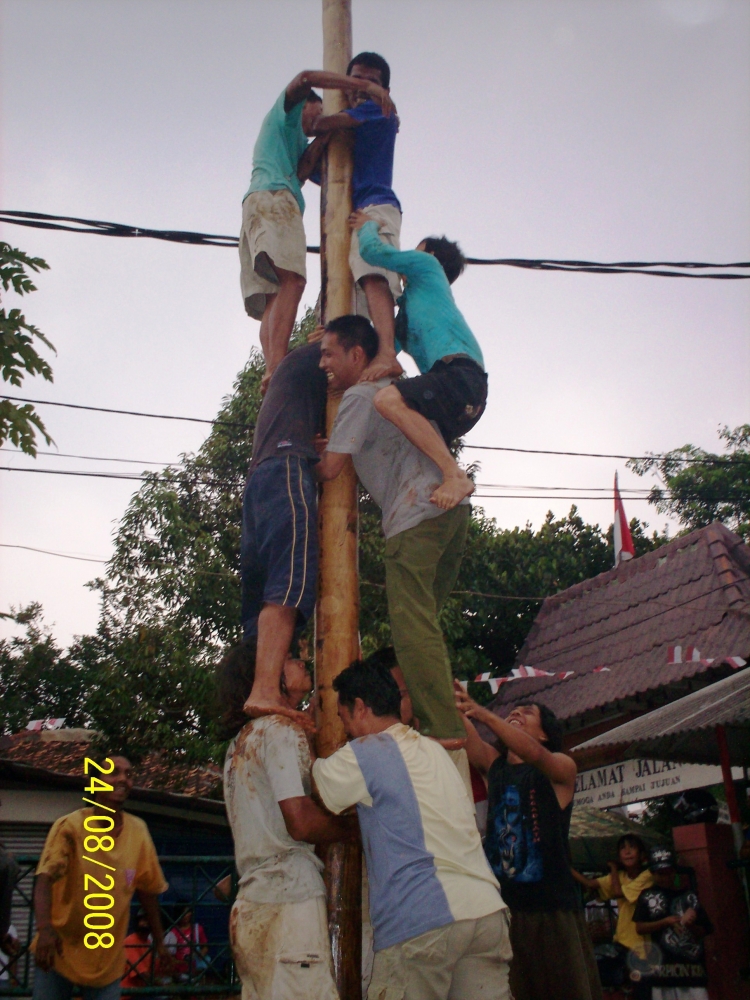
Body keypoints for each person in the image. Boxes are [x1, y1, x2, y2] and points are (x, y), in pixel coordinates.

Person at [312, 659, 511, 1000]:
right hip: (486, 912)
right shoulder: (434, 750)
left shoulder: (368, 751)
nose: (345, 731)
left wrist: (309, 734)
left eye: (343, 719)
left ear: (360, 707)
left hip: (423, 918)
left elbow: (323, 790)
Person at [316, 315, 471, 748]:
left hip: (415, 517)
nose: (322, 363)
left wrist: (292, 460)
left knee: (411, 629)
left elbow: (330, 468)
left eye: (329, 353)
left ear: (357, 355)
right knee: (424, 627)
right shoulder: (393, 392)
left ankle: (443, 729)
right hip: (452, 513)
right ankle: (441, 720)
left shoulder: (358, 397)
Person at [217, 642, 357, 1000]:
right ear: (268, 672)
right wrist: (354, 830)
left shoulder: (240, 740)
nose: (303, 662)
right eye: (292, 657)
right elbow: (300, 822)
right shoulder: (279, 730)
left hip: (251, 904)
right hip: (289, 900)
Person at [240, 67, 395, 383]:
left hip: (257, 204)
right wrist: (363, 86)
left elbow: (302, 171)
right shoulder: (286, 111)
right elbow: (306, 77)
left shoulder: (289, 139)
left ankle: (272, 369)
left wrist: (327, 133)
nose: (318, 118)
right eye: (318, 110)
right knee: (293, 281)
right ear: (305, 104)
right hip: (275, 200)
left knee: (275, 292)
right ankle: (277, 368)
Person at [455, 690, 603, 1000]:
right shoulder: (495, 765)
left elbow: (536, 755)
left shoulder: (560, 767)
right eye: (514, 711)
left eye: (526, 713)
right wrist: (454, 699)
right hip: (505, 911)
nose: (516, 714)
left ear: (545, 734)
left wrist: (483, 713)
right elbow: (463, 732)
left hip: (552, 911)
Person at [349, 210, 487, 510]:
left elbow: (373, 252)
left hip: (460, 373)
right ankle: (441, 493)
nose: (410, 255)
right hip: (462, 397)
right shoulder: (411, 308)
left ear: (431, 255)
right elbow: (382, 350)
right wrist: (334, 337)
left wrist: (368, 225)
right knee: (404, 431)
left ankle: (455, 475)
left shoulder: (427, 266)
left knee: (387, 401)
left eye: (416, 249)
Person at [240, 334, 328, 725]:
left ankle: (261, 689)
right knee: (288, 585)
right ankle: (264, 691)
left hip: (262, 476)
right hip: (286, 468)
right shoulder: (321, 360)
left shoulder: (296, 374)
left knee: (260, 597)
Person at [32, 756, 169, 1000]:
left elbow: (147, 890)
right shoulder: (70, 827)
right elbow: (44, 880)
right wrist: (44, 931)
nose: (123, 779)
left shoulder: (138, 831)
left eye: (128, 774)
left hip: (106, 961)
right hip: (59, 952)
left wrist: (160, 942)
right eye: (113, 773)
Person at [312, 52, 403, 380]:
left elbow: (318, 124)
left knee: (372, 271)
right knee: (348, 294)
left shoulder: (380, 112)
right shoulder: (349, 139)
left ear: (384, 90)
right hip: (350, 214)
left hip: (375, 208)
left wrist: (326, 122)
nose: (362, 88)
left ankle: (387, 352)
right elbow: (310, 170)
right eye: (356, 80)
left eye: (371, 82)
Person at [572, 834, 653, 998]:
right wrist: (567, 867)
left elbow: (618, 892)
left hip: (643, 947)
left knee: (643, 992)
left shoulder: (648, 875)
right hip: (623, 944)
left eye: (632, 847)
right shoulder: (620, 877)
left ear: (642, 855)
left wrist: (614, 869)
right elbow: (589, 883)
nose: (628, 851)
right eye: (623, 848)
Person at [634, 847, 713, 1000]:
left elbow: (706, 930)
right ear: (652, 873)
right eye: (660, 873)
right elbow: (640, 927)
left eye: (669, 872)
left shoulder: (689, 897)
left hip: (692, 973)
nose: (665, 877)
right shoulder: (647, 896)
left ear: (675, 871)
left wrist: (690, 925)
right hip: (662, 973)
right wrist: (665, 922)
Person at [122, 909, 168, 989]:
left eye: (148, 920)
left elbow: (157, 969)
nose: (145, 923)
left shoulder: (148, 943)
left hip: (142, 990)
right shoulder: (130, 941)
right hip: (130, 993)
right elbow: (140, 974)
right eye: (143, 920)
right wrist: (163, 986)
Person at [163, 907, 209, 982]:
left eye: (188, 912)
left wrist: (199, 956)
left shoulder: (197, 929)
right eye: (183, 913)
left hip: (195, 970)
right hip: (179, 972)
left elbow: (205, 947)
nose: (186, 916)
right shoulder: (173, 931)